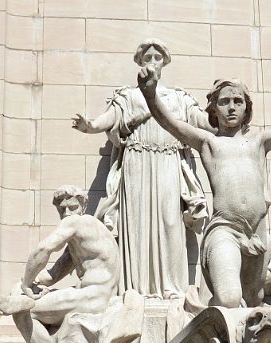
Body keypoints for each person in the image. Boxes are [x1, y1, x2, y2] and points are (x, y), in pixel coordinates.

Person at [140, 65, 271, 308]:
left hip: (256, 233)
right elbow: (171, 124)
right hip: (224, 229)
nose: (231, 107)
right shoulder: (209, 142)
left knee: (252, 301)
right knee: (229, 298)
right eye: (224, 101)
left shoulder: (259, 142)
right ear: (214, 108)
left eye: (238, 101)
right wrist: (150, 94)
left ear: (246, 108)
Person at [72, 40, 208, 298]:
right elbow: (106, 121)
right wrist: (88, 126)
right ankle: (135, 288)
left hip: (168, 162)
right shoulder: (128, 96)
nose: (152, 61)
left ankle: (171, 287)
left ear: (164, 61)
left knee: (170, 223)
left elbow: (204, 123)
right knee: (136, 223)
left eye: (157, 57)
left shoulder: (178, 98)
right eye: (148, 57)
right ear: (139, 61)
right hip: (136, 162)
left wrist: (228, 122)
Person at [0, 185, 122, 343]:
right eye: (62, 209)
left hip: (94, 297)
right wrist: (27, 285)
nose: (67, 213)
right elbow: (52, 274)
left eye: (72, 207)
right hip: (89, 296)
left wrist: (25, 284)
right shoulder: (83, 237)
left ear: (83, 206)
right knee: (23, 296)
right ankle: (21, 300)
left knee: (25, 314)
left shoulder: (78, 223)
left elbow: (42, 249)